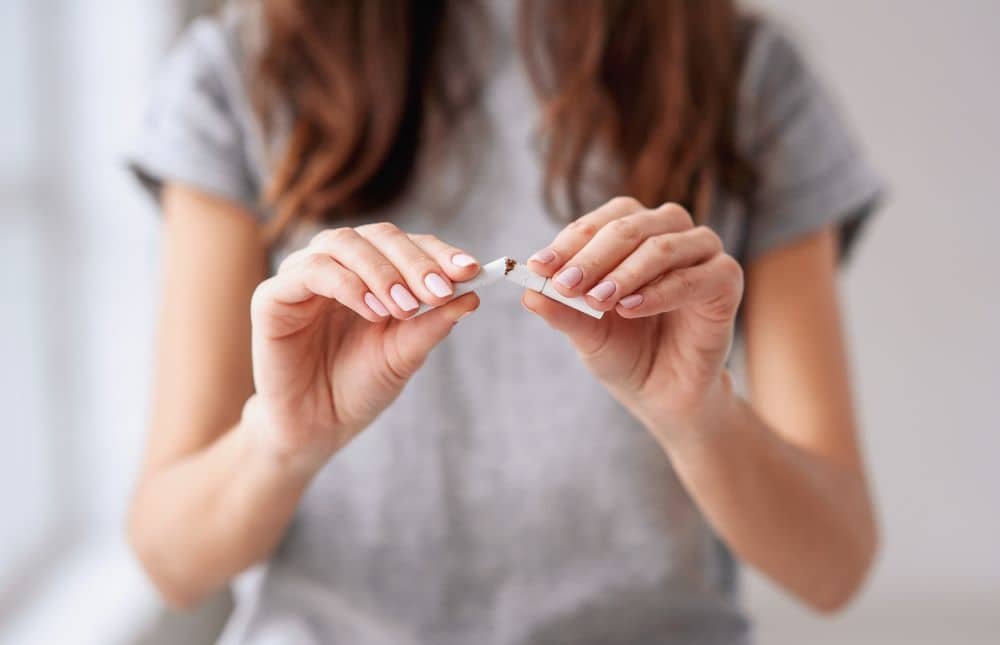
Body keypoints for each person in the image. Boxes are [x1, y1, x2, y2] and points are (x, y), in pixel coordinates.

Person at [126, 1, 883, 643]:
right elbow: (171, 555)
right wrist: (281, 442)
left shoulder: (743, 73)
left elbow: (834, 562)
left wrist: (698, 415)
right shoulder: (243, 68)